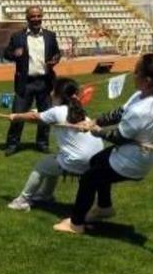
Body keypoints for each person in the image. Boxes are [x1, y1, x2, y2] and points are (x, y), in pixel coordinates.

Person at [54, 53, 153, 234]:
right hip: (130, 150)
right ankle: (104, 207)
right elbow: (120, 112)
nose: (133, 75)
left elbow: (119, 136)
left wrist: (95, 131)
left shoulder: (144, 110)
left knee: (89, 178)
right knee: (96, 160)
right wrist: (95, 121)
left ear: (147, 80)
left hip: (133, 160)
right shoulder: (144, 94)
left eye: (136, 72)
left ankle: (76, 224)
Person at [7, 78, 104, 211]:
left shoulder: (58, 111)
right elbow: (39, 117)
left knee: (41, 165)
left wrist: (16, 116)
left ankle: (22, 201)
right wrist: (33, 114)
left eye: (53, 91)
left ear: (59, 94)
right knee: (52, 161)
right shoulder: (79, 112)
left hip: (78, 160)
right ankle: (45, 195)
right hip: (95, 161)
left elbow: (35, 117)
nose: (51, 93)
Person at [3, 5, 61, 156]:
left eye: (38, 16)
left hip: (45, 82)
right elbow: (6, 53)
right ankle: (12, 144)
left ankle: (42, 143)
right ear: (27, 18)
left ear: (42, 17)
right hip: (25, 82)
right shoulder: (17, 36)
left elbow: (57, 53)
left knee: (45, 115)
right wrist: (15, 54)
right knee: (18, 114)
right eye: (33, 16)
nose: (36, 19)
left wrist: (55, 59)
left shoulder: (50, 35)